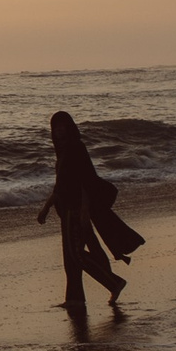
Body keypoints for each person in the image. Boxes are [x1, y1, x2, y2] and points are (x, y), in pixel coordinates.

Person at [33, 111, 142, 310]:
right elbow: (60, 186)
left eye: (62, 126)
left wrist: (84, 209)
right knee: (70, 258)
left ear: (69, 127)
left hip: (75, 210)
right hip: (65, 209)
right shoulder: (64, 150)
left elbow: (86, 181)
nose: (58, 131)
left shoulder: (76, 148)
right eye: (55, 127)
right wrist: (46, 208)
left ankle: (113, 282)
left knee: (76, 255)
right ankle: (75, 299)